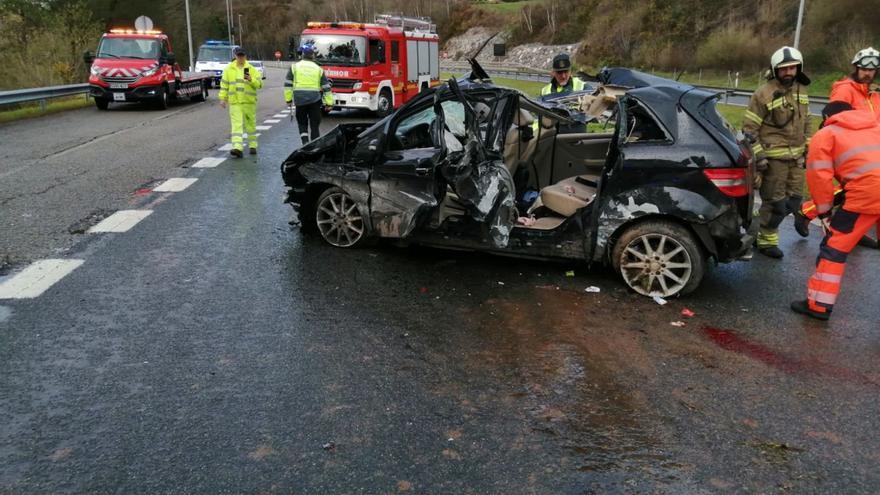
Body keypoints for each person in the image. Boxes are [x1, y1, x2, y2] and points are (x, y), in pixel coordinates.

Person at [791, 101, 880, 320]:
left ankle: (819, 305)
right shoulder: (875, 126)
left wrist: (823, 213)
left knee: (834, 249)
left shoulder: (827, 134)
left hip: (867, 195)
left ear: (826, 117)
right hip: (868, 191)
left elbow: (819, 178)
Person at [793, 48, 880, 246]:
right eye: (864, 69)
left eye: (872, 70)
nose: (868, 73)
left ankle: (851, 231)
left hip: (870, 151)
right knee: (854, 189)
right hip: (849, 150)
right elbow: (833, 119)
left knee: (860, 191)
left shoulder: (875, 95)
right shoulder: (845, 89)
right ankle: (807, 212)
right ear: (856, 68)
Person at [742, 46, 812, 258]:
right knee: (775, 204)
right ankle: (765, 241)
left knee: (793, 202)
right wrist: (760, 158)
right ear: (775, 70)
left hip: (797, 159)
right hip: (774, 161)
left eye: (793, 68)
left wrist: (808, 146)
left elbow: (807, 120)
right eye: (784, 69)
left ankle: (757, 221)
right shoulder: (763, 94)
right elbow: (749, 130)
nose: (789, 72)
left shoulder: (802, 90)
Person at [284, 43, 333, 144]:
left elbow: (288, 85)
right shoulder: (318, 69)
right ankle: (314, 145)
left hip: (299, 99)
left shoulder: (294, 67)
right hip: (314, 100)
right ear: (313, 56)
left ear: (302, 55)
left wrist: (288, 100)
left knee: (302, 123)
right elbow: (326, 87)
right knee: (314, 125)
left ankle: (305, 142)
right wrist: (329, 103)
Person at [218, 47, 263, 157]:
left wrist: (251, 79)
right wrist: (223, 98)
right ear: (235, 56)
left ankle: (253, 145)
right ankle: (237, 148)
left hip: (248, 102)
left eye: (242, 56)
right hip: (235, 102)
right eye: (239, 56)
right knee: (236, 125)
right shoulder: (229, 69)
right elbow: (224, 85)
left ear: (245, 56)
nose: (241, 58)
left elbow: (260, 85)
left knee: (250, 125)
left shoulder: (251, 69)